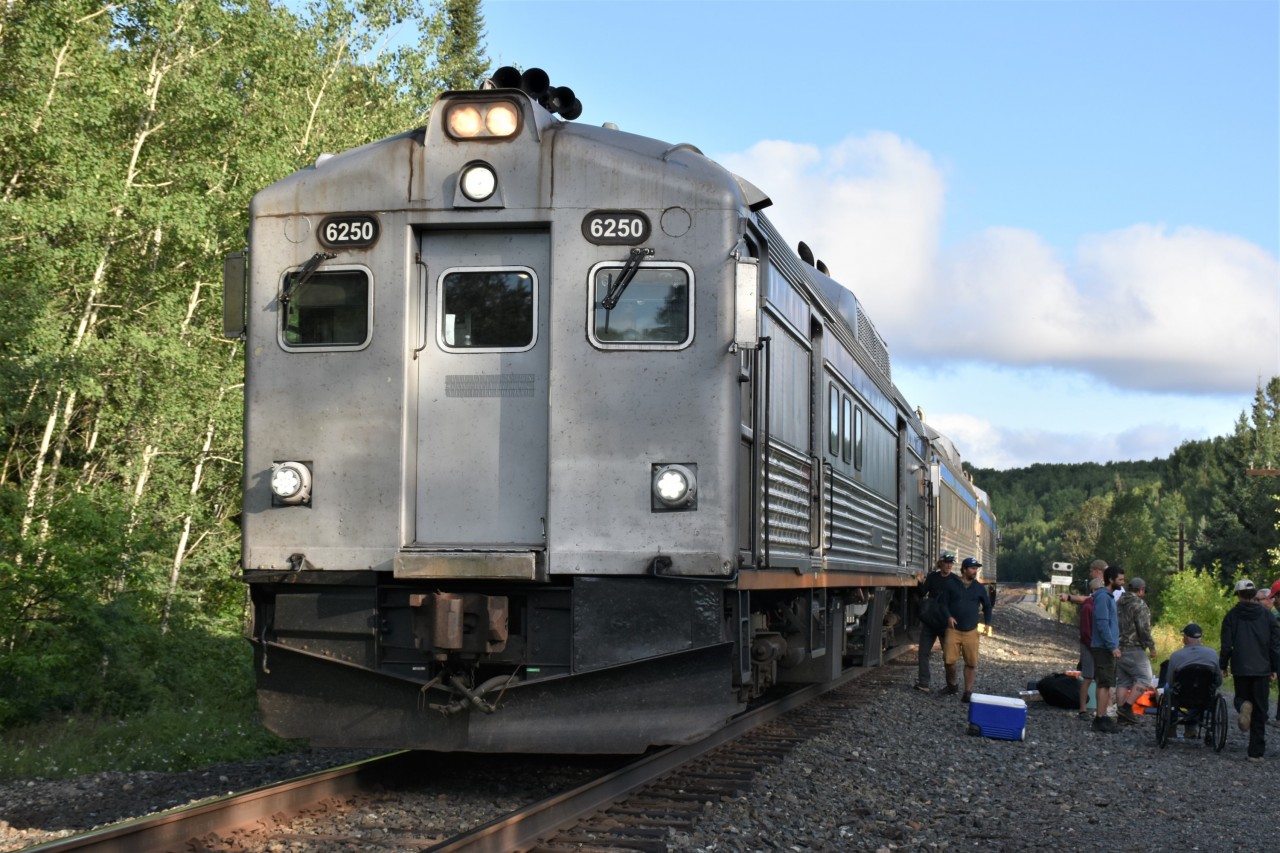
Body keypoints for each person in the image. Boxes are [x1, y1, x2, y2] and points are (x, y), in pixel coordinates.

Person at [1218, 578, 1280, 762]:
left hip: (1240, 666)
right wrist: (1275, 667)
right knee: (1261, 709)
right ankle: (1256, 753)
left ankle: (1243, 705)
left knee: (1241, 698)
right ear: (1254, 594)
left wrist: (1223, 665)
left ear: (1238, 595)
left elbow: (1226, 644)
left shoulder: (1231, 616)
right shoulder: (1267, 615)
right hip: (1262, 667)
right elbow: (1275, 644)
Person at [939, 557, 993, 703]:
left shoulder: (979, 588)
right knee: (949, 661)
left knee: (971, 663)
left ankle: (968, 692)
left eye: (976, 569)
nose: (975, 571)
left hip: (971, 631)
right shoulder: (951, 584)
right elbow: (943, 604)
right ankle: (952, 685)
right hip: (953, 630)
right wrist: (948, 616)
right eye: (972, 568)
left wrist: (988, 623)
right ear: (964, 569)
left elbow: (987, 606)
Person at [1163, 622, 1221, 739]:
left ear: (1186, 638)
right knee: (1201, 690)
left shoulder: (1176, 656)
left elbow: (1169, 680)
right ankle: (1191, 729)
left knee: (1168, 691)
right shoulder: (1213, 654)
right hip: (1204, 697)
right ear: (1200, 638)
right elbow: (1218, 681)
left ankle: (1171, 728)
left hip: (1181, 697)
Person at [1059, 577, 1104, 719]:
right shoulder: (1088, 606)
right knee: (1088, 677)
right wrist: (1093, 647)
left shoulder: (1098, 605)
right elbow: (1085, 632)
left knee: (1100, 678)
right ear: (1093, 590)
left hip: (1097, 646)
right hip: (1089, 646)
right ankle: (1083, 709)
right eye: (1099, 590)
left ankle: (1100, 709)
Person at [916, 552, 959, 693]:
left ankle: (951, 684)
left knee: (948, 655)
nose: (949, 565)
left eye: (951, 562)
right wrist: (920, 582)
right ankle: (923, 683)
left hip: (946, 623)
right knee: (923, 652)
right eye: (946, 562)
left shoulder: (955, 580)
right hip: (931, 621)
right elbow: (922, 592)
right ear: (940, 563)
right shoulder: (933, 577)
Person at [1116, 577, 1157, 724]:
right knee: (1145, 679)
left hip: (1118, 648)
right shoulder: (1139, 604)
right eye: (1144, 591)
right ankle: (1126, 708)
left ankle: (1122, 717)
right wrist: (1151, 647)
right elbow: (1143, 629)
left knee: (1123, 681)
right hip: (1134, 648)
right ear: (1140, 590)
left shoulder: (1118, 602)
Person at [1090, 565, 1124, 733]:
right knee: (1104, 683)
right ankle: (1100, 718)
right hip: (1104, 647)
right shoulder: (1104, 597)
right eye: (1120, 580)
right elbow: (1102, 623)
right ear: (1111, 580)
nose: (1122, 583)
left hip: (1106, 647)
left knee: (1105, 683)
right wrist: (1112, 646)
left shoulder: (1108, 597)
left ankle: (1102, 716)